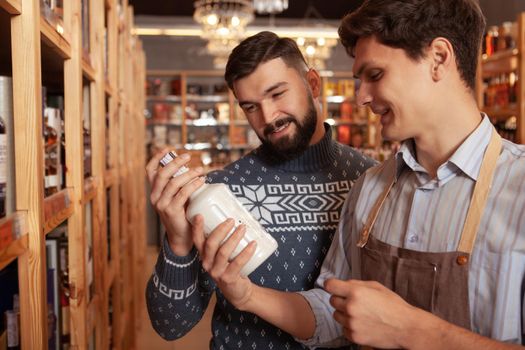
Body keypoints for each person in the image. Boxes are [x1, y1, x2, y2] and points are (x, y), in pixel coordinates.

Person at [190, 0, 525, 348]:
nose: (361, 97)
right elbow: (330, 312)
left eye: (375, 75)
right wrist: (245, 295)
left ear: (438, 59)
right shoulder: (371, 188)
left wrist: (412, 331)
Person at [144, 31, 376, 349]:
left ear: (312, 84)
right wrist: (177, 242)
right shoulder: (221, 191)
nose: (268, 117)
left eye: (277, 94)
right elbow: (171, 324)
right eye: (251, 107)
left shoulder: (368, 180)